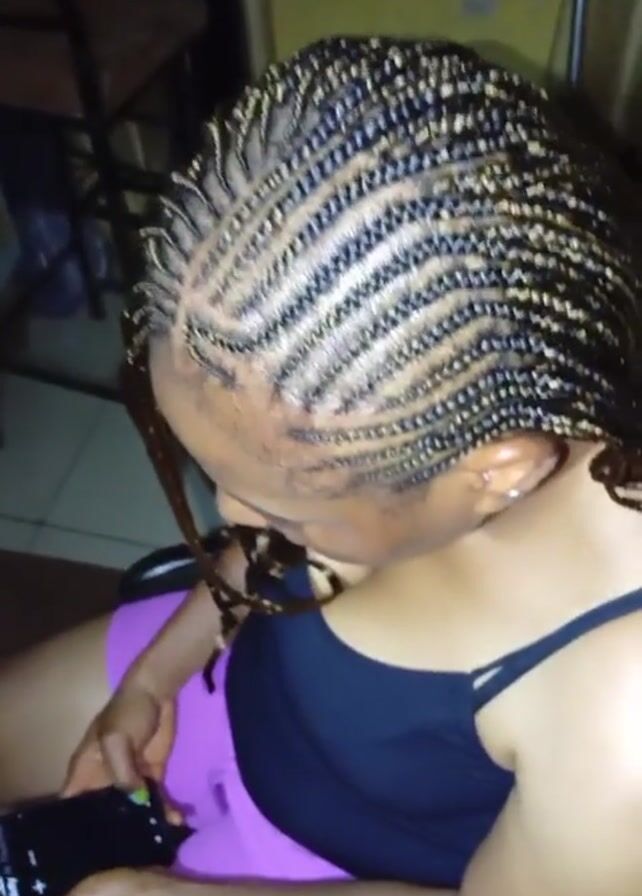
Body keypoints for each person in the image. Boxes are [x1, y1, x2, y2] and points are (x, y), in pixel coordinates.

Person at [1, 36, 641, 896]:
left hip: (331, 869)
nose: (230, 518)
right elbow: (262, 558)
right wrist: (153, 681)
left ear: (497, 473)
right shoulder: (418, 411)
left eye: (287, 513)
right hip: (223, 678)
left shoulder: (622, 715)